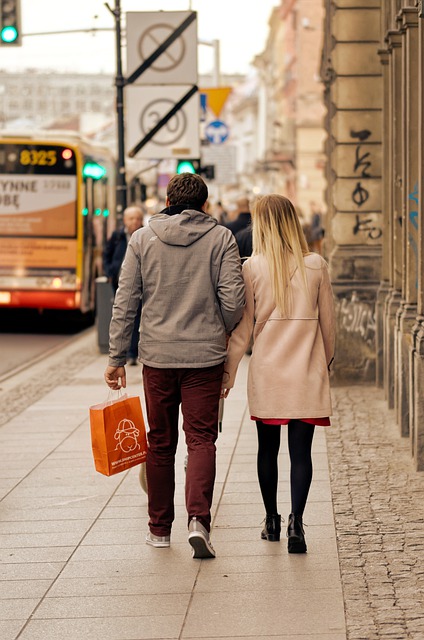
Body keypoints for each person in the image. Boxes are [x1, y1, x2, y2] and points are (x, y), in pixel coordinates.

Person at [104, 173, 245, 559]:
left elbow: (126, 301)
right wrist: (219, 328)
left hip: (158, 356)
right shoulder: (221, 239)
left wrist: (117, 357)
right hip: (205, 356)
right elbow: (233, 300)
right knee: (201, 439)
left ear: (167, 199)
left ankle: (159, 529)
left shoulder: (142, 239)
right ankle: (198, 520)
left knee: (161, 441)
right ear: (204, 204)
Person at [221, 194, 335, 554]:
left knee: (266, 450)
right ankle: (296, 524)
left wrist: (228, 371)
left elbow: (244, 328)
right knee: (302, 453)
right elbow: (330, 329)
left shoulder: (251, 267)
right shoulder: (316, 265)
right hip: (306, 368)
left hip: (268, 369)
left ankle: (270, 519)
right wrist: (323, 362)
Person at [103, 205, 144, 365]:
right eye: (131, 218)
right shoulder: (117, 236)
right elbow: (107, 254)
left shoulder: (145, 235)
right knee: (121, 314)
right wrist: (109, 272)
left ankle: (132, 352)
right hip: (119, 282)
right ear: (125, 220)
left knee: (136, 317)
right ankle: (121, 352)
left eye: (137, 218)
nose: (134, 221)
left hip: (140, 284)